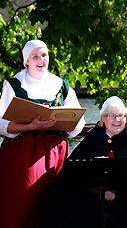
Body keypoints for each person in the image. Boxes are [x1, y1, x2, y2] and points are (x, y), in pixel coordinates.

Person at [0, 39, 85, 228]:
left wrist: (63, 120)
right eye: (35, 56)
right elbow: (2, 125)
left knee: (56, 206)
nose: (41, 60)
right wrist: (30, 126)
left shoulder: (61, 86)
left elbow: (78, 125)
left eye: (44, 55)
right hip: (26, 154)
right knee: (21, 207)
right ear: (26, 61)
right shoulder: (14, 85)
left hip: (57, 151)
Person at [42, 96, 127, 228]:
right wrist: (96, 190)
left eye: (121, 116)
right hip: (92, 200)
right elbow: (72, 172)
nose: (117, 120)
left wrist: (117, 193)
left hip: (125, 202)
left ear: (126, 118)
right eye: (111, 116)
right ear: (103, 118)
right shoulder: (92, 140)